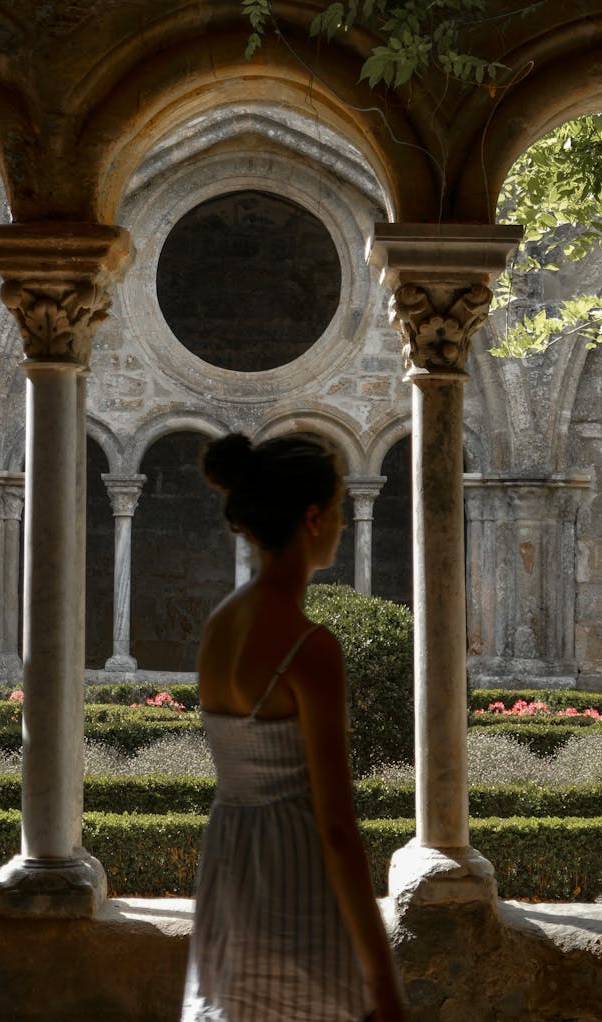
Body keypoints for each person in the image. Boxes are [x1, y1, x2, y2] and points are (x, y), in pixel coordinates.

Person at [181, 432, 408, 1022]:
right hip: (290, 864)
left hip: (229, 853)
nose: (344, 524)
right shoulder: (310, 649)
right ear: (313, 518)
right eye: (337, 510)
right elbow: (336, 826)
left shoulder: (219, 625)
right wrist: (383, 980)